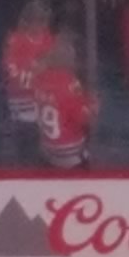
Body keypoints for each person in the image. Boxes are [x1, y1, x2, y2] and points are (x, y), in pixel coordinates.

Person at [30, 34, 96, 169]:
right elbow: (83, 118)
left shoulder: (38, 81)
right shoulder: (70, 83)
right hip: (71, 155)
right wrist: (92, 104)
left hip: (48, 151)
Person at [2, 0, 56, 148]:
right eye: (37, 21)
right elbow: (13, 74)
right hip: (22, 101)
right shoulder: (15, 41)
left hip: (45, 101)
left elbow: (57, 70)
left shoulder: (49, 40)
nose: (41, 26)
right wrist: (35, 71)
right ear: (28, 21)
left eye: (44, 21)